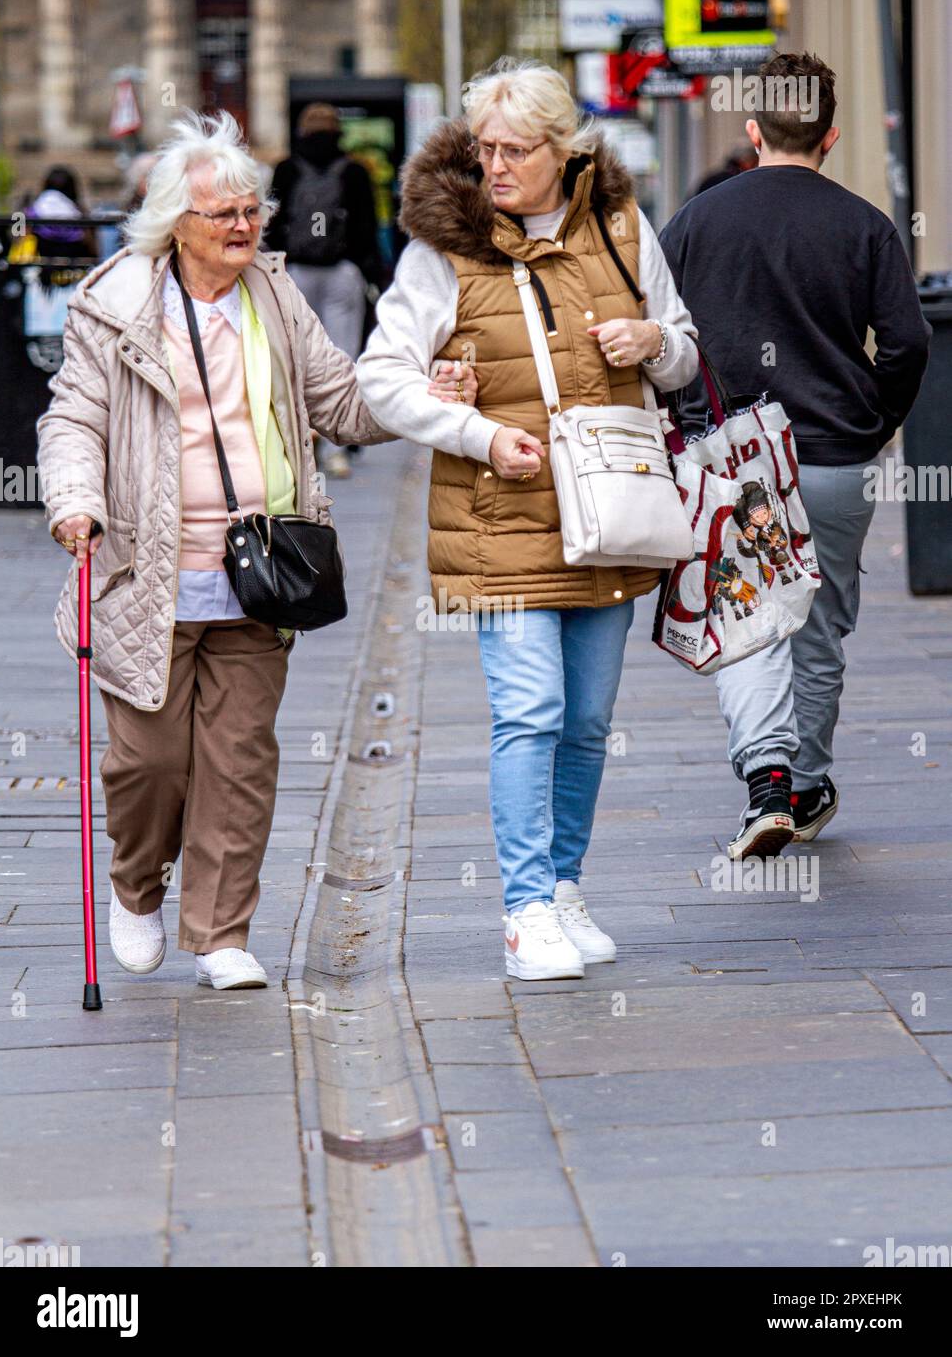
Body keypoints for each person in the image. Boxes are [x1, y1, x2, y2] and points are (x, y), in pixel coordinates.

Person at [35, 109, 472, 992]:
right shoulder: (113, 305)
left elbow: (341, 404)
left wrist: (420, 395)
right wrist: (74, 501)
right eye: (222, 214)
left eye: (250, 210)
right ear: (173, 224)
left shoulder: (275, 296)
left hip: (261, 572)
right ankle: (136, 885)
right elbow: (73, 419)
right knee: (149, 763)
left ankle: (222, 930)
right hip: (145, 572)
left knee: (239, 760)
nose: (243, 226)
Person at [357, 57, 698, 981]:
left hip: (611, 513)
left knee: (587, 719)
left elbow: (683, 353)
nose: (495, 165)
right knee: (530, 710)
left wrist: (652, 342)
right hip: (500, 519)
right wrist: (472, 430)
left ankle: (564, 885)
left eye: (515, 149)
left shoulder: (624, 230)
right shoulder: (444, 252)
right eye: (484, 148)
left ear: (564, 149)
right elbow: (379, 379)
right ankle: (522, 910)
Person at [660, 52, 931, 859]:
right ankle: (806, 782)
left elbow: (662, 334)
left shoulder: (698, 220)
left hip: (733, 457)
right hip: (833, 458)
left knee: (747, 621)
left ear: (751, 131)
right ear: (831, 135)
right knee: (817, 631)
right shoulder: (863, 226)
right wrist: (871, 420)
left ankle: (768, 779)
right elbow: (909, 343)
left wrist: (684, 420)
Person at [266, 103, 383, 480]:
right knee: (342, 354)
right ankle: (337, 451)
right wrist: (368, 270)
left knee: (293, 356)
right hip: (341, 272)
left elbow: (272, 221)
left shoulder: (286, 169)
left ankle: (297, 443)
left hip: (295, 271)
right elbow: (367, 226)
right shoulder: (353, 171)